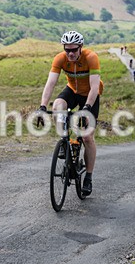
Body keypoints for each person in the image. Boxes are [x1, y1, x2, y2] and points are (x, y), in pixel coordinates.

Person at [36, 30, 102, 196]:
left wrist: (87, 107)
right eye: (67, 50)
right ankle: (64, 141)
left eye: (73, 50)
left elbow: (95, 87)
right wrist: (42, 106)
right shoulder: (60, 58)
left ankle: (88, 177)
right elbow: (51, 83)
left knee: (87, 137)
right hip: (72, 90)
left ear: (81, 47)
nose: (70, 53)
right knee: (58, 105)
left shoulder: (91, 57)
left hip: (90, 95)